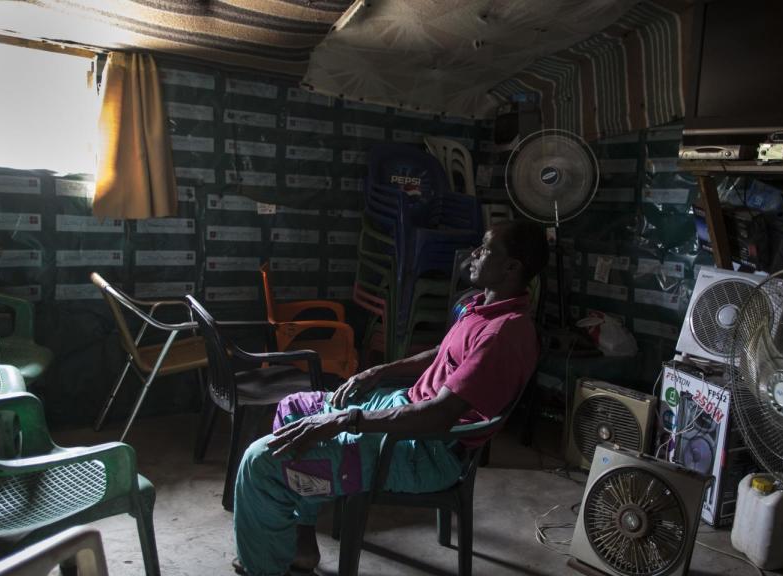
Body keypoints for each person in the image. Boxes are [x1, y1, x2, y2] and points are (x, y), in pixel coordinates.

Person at [233, 220, 548, 576]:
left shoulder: (503, 333)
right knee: (295, 408)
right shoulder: (480, 306)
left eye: (485, 249)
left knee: (260, 463)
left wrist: (345, 420)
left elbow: (438, 416)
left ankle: (262, 567)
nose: (474, 254)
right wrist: (378, 371)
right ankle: (303, 539)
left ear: (511, 267)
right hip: (405, 407)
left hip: (427, 450)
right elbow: (443, 352)